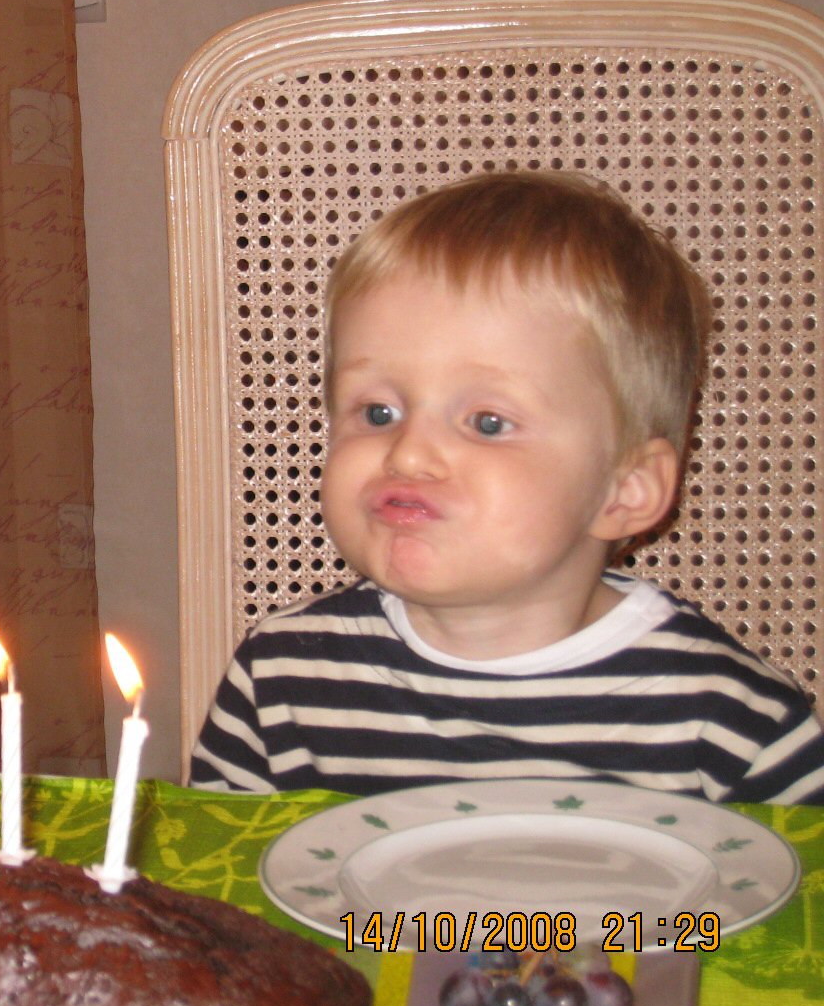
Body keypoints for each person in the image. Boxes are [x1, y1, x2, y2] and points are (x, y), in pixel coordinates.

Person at [190, 171, 824, 805]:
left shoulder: (731, 727)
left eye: (487, 423)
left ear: (624, 490)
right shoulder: (278, 681)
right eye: (378, 413)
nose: (407, 453)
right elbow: (218, 864)